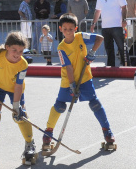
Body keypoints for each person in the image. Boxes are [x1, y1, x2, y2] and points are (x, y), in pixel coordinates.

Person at [43, 13, 115, 150]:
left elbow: (100, 38)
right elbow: (68, 68)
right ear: (60, 29)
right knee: (60, 106)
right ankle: (48, 133)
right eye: (65, 29)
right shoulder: (61, 48)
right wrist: (72, 86)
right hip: (67, 81)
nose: (68, 32)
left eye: (71, 29)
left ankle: (108, 132)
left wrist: (92, 52)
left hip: (85, 78)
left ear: (76, 28)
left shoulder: (81, 36)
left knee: (95, 103)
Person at [0, 31, 35, 169]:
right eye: (14, 50)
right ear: (7, 47)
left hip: (15, 89)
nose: (17, 54)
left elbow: (17, 86)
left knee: (20, 116)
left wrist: (16, 106)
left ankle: (29, 144)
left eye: (21, 51)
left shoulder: (23, 64)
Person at [91, 0, 127, 67]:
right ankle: (111, 67)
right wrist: (93, 23)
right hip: (105, 27)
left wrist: (124, 19)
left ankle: (126, 66)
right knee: (108, 48)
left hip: (117, 25)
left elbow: (124, 7)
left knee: (121, 47)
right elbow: (97, 10)